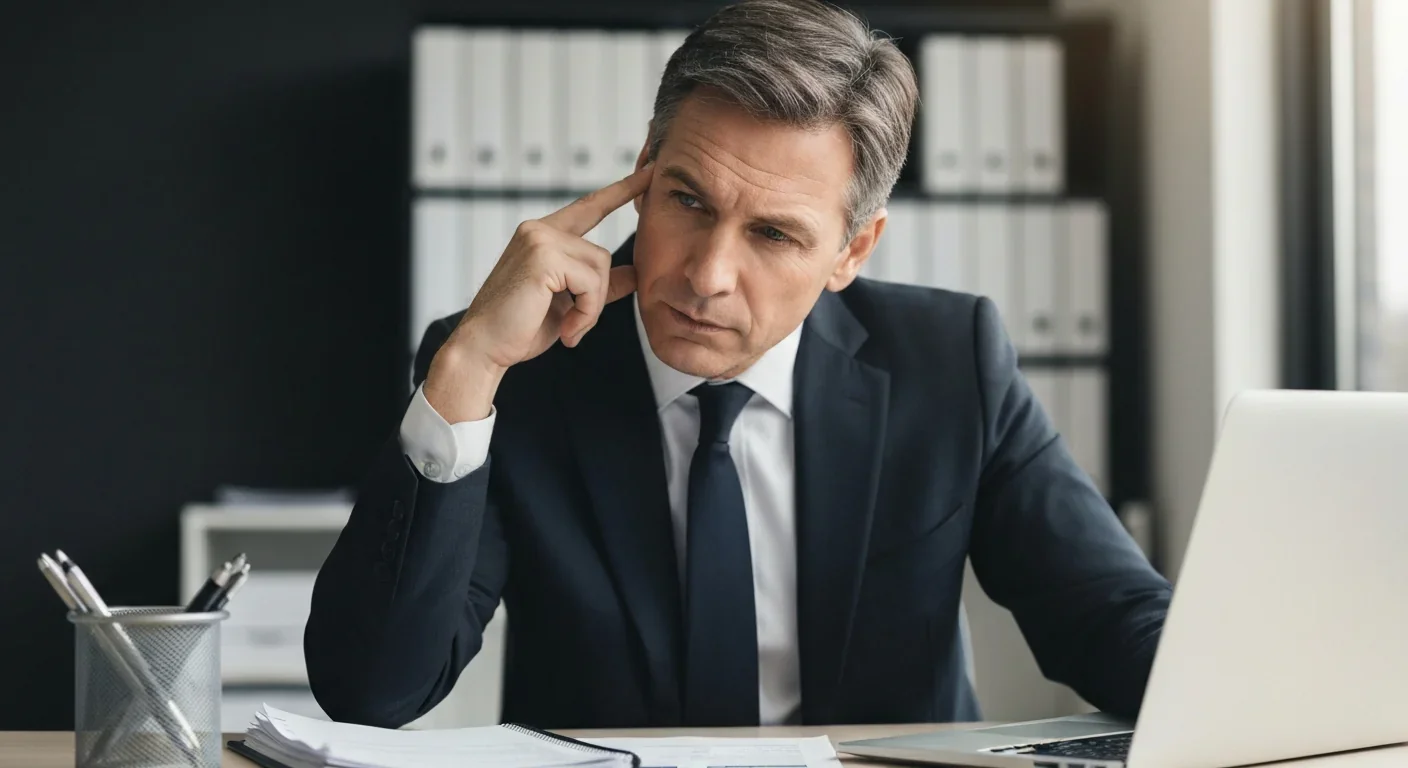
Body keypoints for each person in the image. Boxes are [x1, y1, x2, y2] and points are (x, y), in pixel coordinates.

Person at [306, 0, 1171, 730]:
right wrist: (468, 368)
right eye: (687, 200)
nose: (706, 276)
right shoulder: (517, 372)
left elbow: (1109, 618)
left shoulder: (950, 363)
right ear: (643, 172)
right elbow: (372, 694)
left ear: (851, 250)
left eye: (774, 234)